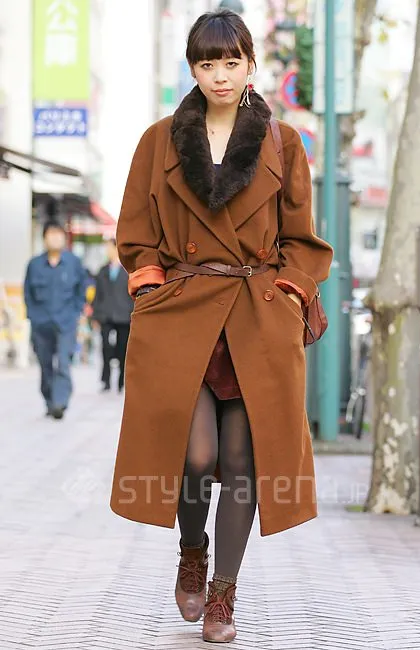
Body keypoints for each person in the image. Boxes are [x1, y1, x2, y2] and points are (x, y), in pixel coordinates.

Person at [109, 9, 333, 644]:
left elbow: (301, 238)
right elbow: (135, 232)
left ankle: (223, 596)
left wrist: (288, 294)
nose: (221, 75)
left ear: (251, 64)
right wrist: (150, 282)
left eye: (232, 61)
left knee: (241, 461)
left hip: (256, 318)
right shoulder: (159, 141)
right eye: (207, 63)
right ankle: (192, 549)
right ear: (193, 69)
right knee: (196, 455)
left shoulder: (283, 143)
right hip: (182, 315)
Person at [24, 221, 87, 419]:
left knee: (63, 362)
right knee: (45, 365)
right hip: (41, 323)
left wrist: (76, 313)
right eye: (51, 234)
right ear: (44, 238)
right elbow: (28, 293)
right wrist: (33, 316)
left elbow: (81, 290)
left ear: (64, 238)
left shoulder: (74, 263)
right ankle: (50, 400)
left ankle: (60, 402)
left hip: (66, 323)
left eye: (59, 234)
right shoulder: (34, 265)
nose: (55, 238)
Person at [92, 238, 133, 392]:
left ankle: (121, 380)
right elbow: (97, 295)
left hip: (124, 316)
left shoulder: (128, 271)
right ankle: (106, 380)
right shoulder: (102, 271)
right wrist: (95, 316)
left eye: (109, 248)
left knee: (123, 349)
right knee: (105, 348)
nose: (107, 251)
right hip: (106, 315)